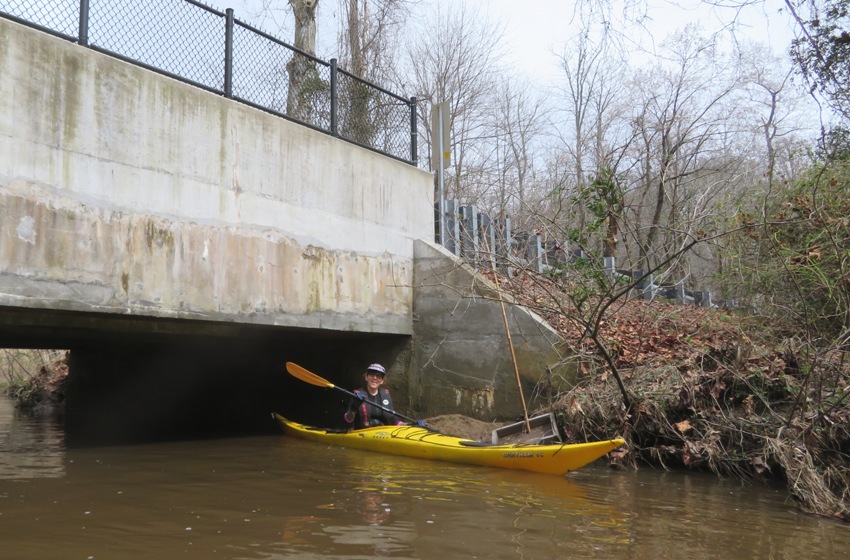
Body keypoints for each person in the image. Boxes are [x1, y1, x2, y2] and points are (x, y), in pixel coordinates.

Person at [343, 363, 403, 428]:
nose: (374, 378)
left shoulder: (385, 394)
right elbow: (348, 420)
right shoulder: (357, 395)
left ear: (382, 381)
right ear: (366, 377)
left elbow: (393, 418)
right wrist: (353, 409)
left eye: (378, 376)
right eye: (372, 374)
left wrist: (406, 425)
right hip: (363, 434)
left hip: (383, 434)